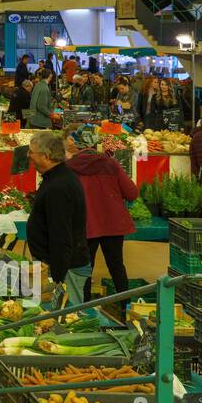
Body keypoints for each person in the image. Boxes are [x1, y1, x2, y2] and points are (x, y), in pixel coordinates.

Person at [63, 125, 138, 301]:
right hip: (113, 224)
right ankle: (124, 308)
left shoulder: (68, 168)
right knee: (117, 266)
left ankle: (84, 309)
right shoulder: (110, 163)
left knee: (85, 268)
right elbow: (132, 193)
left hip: (85, 226)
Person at [26, 131, 91, 305]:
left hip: (67, 270)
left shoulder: (59, 186)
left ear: (46, 157)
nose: (28, 156)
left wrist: (57, 277)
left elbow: (61, 235)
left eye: (31, 152)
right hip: (60, 265)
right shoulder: (56, 178)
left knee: (68, 319)